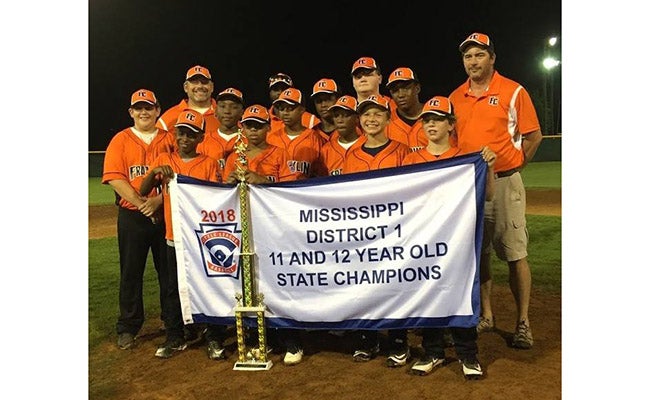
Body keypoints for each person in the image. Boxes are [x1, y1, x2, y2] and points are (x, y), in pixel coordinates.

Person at [449, 32, 543, 349]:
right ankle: (487, 315)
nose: (473, 61)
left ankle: (522, 322)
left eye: (479, 55)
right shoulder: (455, 97)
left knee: (515, 253)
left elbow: (533, 136)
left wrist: (515, 166)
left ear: (492, 58)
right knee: (480, 254)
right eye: (467, 56)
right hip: (469, 185)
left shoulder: (512, 91)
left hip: (503, 181)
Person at [403, 96, 496, 379]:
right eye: (427, 120)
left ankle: (468, 354)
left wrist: (488, 167)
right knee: (429, 293)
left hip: (457, 241)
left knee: (460, 293)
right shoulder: (411, 159)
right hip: (424, 239)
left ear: (450, 124)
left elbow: (488, 195)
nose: (431, 124)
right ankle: (433, 352)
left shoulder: (467, 158)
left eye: (438, 119)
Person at [139, 109, 221, 359]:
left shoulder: (207, 163)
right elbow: (143, 189)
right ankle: (175, 336)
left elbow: (215, 198)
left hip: (200, 238)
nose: (185, 138)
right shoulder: (164, 159)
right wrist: (154, 174)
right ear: (175, 134)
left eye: (191, 134)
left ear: (200, 138)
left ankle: (213, 335)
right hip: (173, 237)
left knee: (208, 287)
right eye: (181, 133)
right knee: (171, 289)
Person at [102, 89, 176, 350]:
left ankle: (172, 321)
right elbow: (114, 177)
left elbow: (180, 175)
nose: (144, 112)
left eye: (149, 107)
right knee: (131, 272)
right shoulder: (120, 140)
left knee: (168, 272)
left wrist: (158, 202)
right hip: (132, 217)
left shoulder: (171, 139)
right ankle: (128, 326)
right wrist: (142, 203)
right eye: (139, 108)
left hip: (165, 213)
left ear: (158, 110)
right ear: (131, 112)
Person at [342, 95, 411, 368]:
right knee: (364, 285)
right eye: (366, 114)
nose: (371, 119)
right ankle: (367, 338)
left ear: (388, 118)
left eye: (377, 114)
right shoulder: (352, 154)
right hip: (362, 233)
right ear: (360, 120)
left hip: (394, 230)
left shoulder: (403, 151)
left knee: (395, 284)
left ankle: (397, 339)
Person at [222, 104, 296, 184]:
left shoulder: (281, 154)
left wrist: (263, 181)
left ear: (268, 128)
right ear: (242, 128)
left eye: (258, 126)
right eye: (249, 126)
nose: (253, 129)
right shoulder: (234, 157)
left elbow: (290, 189)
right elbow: (225, 192)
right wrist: (228, 185)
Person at [267, 88, 327, 179]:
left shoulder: (315, 138)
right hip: (276, 191)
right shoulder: (271, 138)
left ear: (302, 110)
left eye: (290, 108)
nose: (285, 113)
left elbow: (321, 174)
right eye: (282, 109)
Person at [156, 65, 219, 137]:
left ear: (212, 87)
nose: (200, 86)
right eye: (194, 82)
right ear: (185, 87)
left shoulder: (226, 116)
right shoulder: (168, 118)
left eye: (204, 82)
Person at [198, 87, 245, 172]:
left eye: (233, 107)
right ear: (215, 111)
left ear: (242, 112)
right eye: (222, 106)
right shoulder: (203, 141)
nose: (227, 111)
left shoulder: (250, 141)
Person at [385, 67, 427, 151]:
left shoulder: (436, 117)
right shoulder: (386, 124)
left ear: (417, 88)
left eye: (406, 88)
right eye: (395, 90)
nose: (401, 95)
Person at [320, 95, 361, 176]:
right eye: (336, 116)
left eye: (345, 115)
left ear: (357, 118)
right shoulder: (326, 150)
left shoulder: (367, 145)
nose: (340, 120)